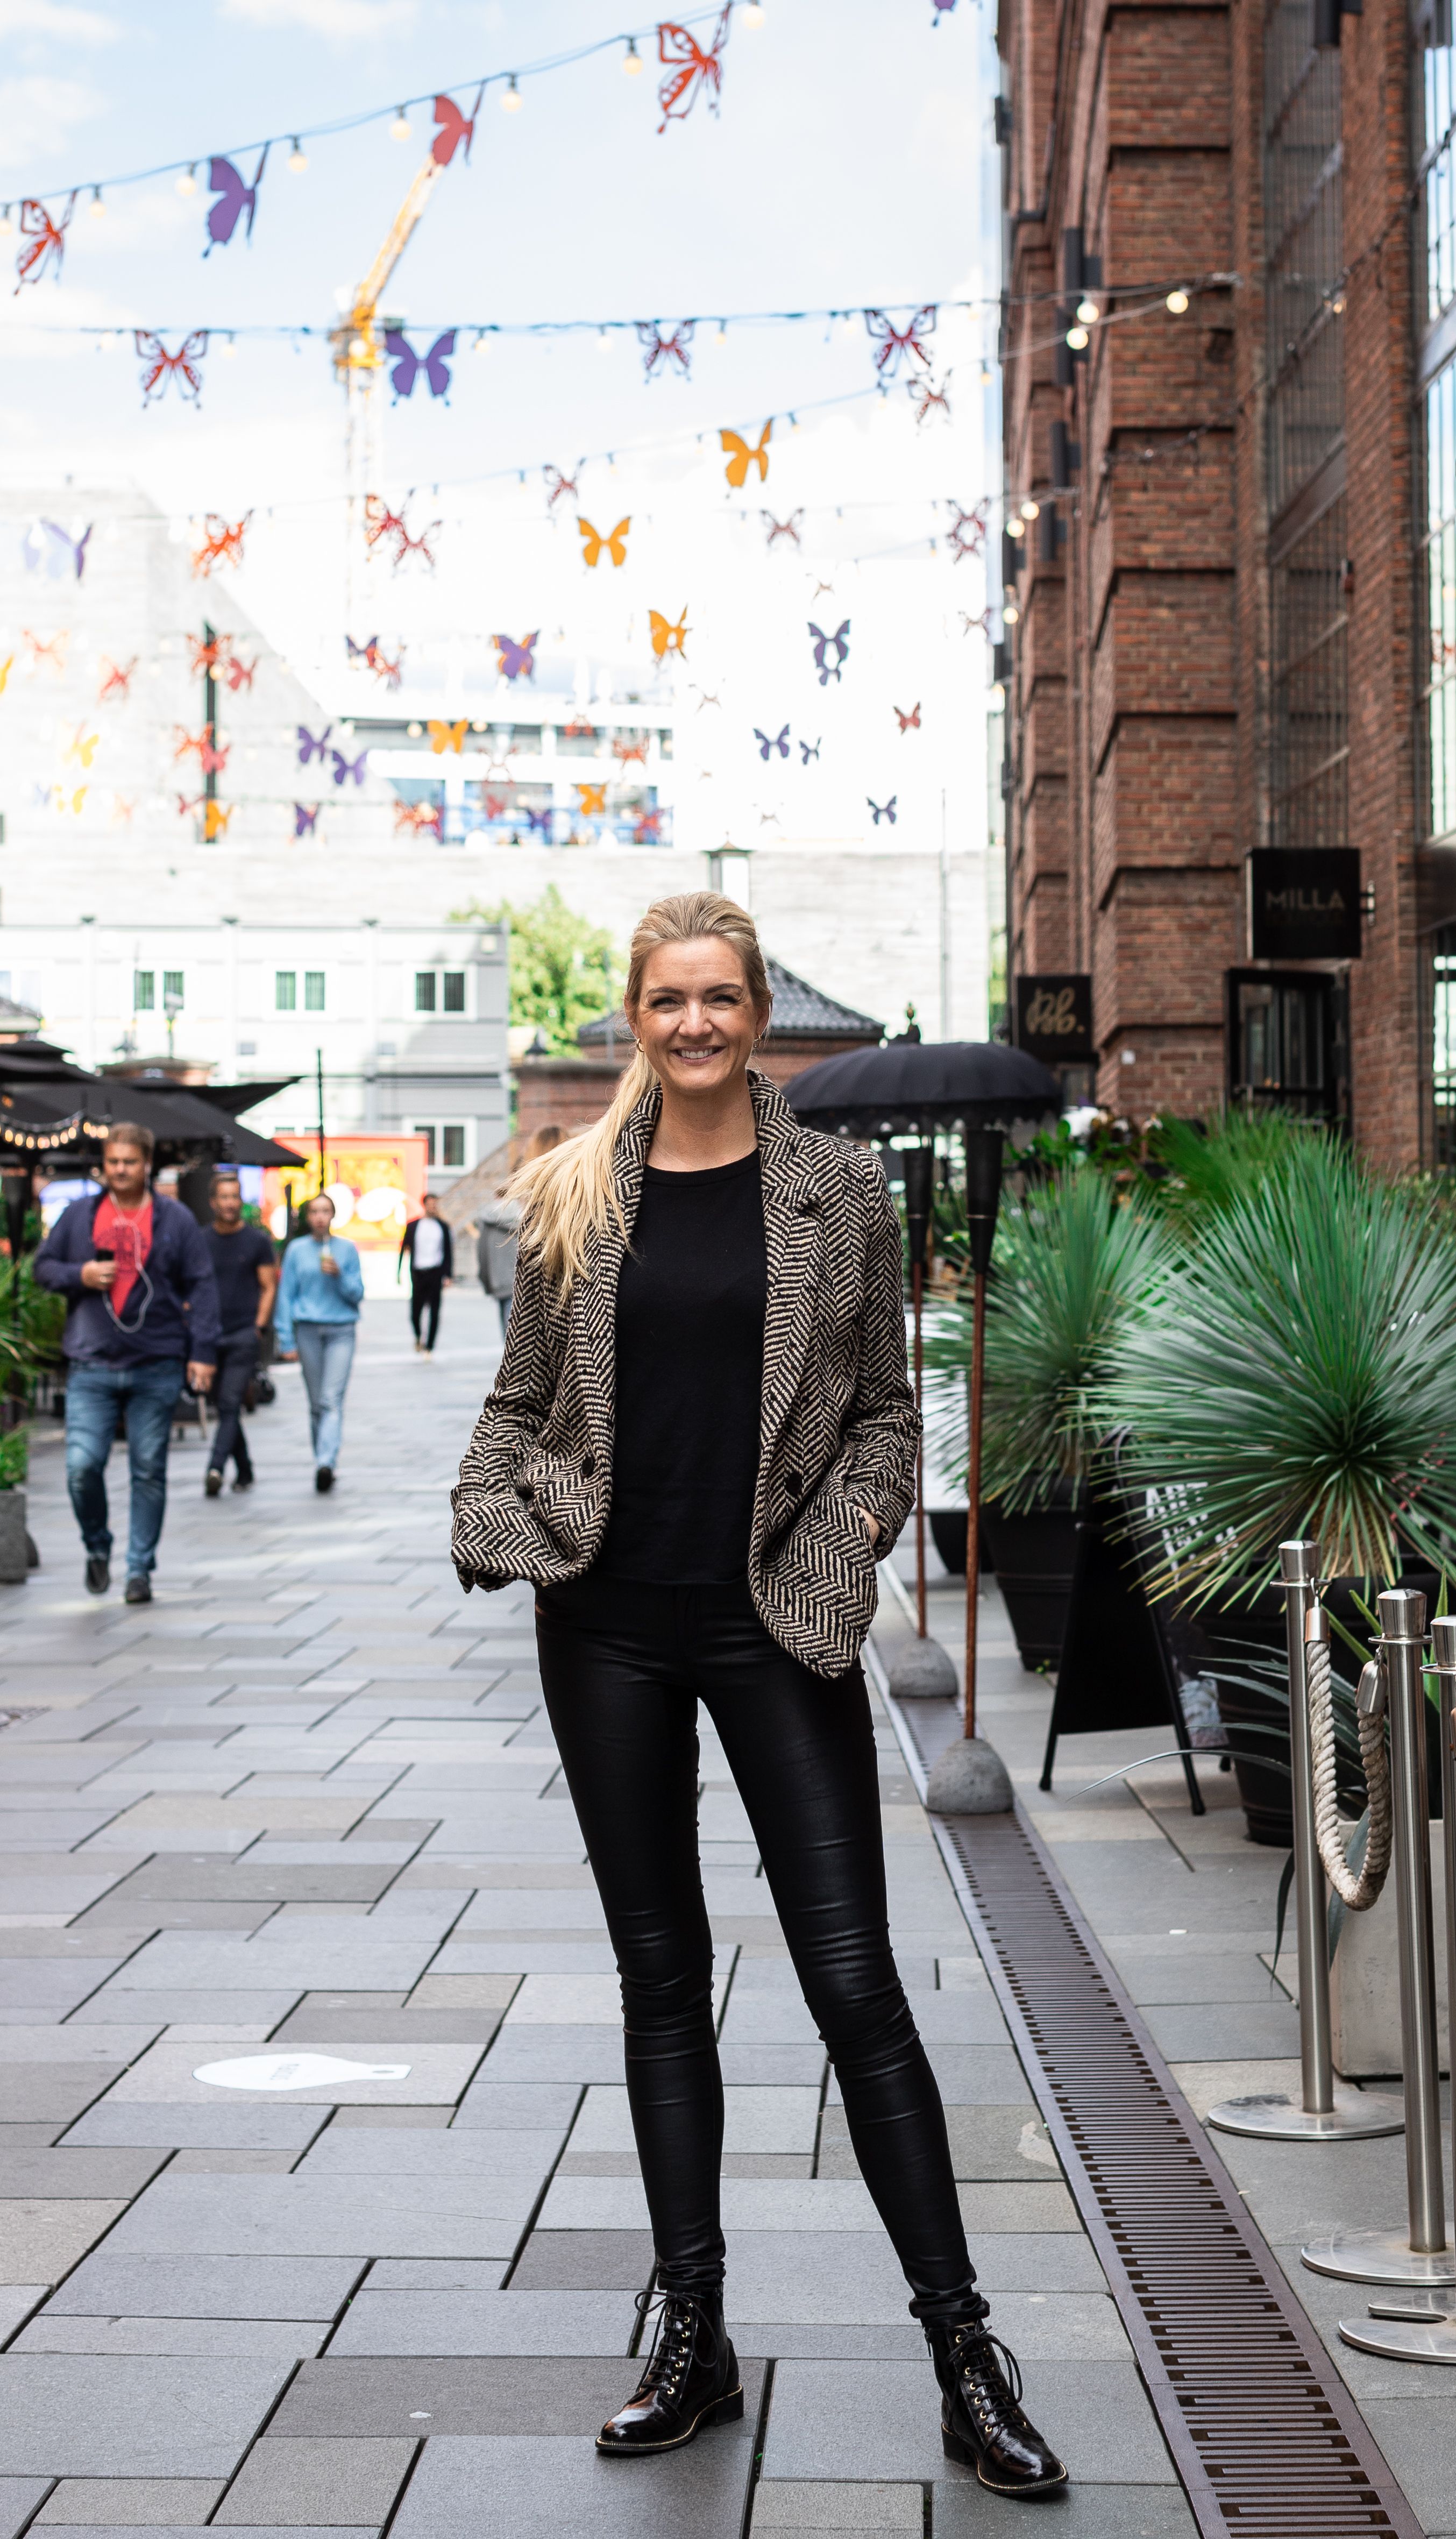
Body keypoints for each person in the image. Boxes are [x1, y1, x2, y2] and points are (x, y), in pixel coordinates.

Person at [451, 895, 1063, 2497]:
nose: (697, 1021)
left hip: (771, 1623)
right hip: (603, 1626)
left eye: (721, 996)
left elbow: (880, 1413)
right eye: (669, 997)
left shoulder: (835, 1190)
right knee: (659, 1980)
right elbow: (520, 1399)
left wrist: (854, 1531)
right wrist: (493, 1514)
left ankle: (962, 2351)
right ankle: (692, 2333)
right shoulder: (573, 1188)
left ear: (754, 1013)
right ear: (634, 1015)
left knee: (853, 1981)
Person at [34, 1123, 219, 1606]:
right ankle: (98, 1546)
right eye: (113, 1161)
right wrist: (82, 1274)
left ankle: (139, 1569)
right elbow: (42, 1268)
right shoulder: (79, 1215)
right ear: (104, 1163)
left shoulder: (174, 1219)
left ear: (147, 1164)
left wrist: (202, 1353)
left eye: (130, 1162)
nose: (120, 1170)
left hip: (155, 1361)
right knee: (81, 1466)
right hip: (90, 1363)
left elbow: (201, 1286)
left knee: (147, 1469)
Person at [274, 1192, 364, 1493]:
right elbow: (285, 1296)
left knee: (330, 1399)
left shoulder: (346, 1250)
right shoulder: (297, 1250)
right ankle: (321, 1459)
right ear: (308, 1217)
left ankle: (327, 1462)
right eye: (315, 1211)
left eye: (326, 1211)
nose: (320, 1217)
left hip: (341, 1330)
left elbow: (358, 1293)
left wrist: (340, 1275)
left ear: (333, 1215)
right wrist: (286, 1339)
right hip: (308, 1330)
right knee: (316, 1404)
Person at [202, 1168, 277, 1497]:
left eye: (235, 1197)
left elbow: (268, 1286)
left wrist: (259, 1326)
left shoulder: (256, 1241)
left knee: (231, 1401)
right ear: (213, 1202)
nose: (231, 1203)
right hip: (209, 1335)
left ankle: (215, 1467)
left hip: (244, 1335)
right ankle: (244, 1468)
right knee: (225, 1404)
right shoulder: (202, 1240)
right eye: (225, 1197)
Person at [398, 1189, 452, 1355]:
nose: (433, 1207)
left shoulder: (443, 1227)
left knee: (435, 1311)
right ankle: (418, 1336)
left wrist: (449, 1275)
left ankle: (429, 1346)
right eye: (430, 1204)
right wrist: (398, 1271)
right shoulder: (413, 1226)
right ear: (425, 1205)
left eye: (435, 1205)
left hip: (436, 1272)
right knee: (415, 1312)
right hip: (418, 1272)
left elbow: (448, 1252)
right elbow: (403, 1249)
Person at [475, 1188, 521, 1338]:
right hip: (520, 1277)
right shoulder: (524, 1216)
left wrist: (485, 1277)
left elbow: (482, 1252)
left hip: (497, 1278)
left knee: (505, 1317)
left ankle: (509, 1351)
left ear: (496, 1196)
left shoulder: (487, 1218)